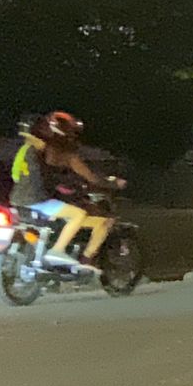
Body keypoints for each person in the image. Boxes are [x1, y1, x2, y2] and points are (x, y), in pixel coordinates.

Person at [9, 112, 125, 270]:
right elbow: (90, 176)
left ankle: (74, 258)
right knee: (80, 214)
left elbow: (17, 174)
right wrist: (113, 184)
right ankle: (61, 251)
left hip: (17, 199)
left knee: (88, 220)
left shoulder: (27, 150)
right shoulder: (62, 153)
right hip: (39, 200)